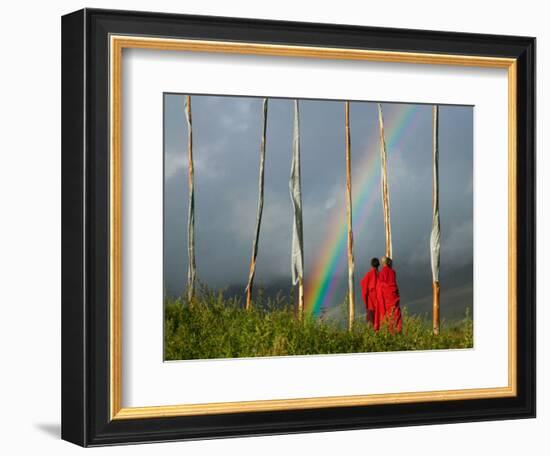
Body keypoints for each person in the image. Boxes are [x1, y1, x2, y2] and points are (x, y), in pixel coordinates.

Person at [376, 256, 403, 333]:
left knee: (387, 316)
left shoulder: (381, 274)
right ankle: (397, 332)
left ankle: (388, 333)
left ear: (382, 263)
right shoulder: (392, 272)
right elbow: (393, 285)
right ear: (388, 263)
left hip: (386, 298)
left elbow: (379, 287)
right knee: (396, 315)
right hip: (393, 297)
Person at [360, 258, 380, 327]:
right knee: (379, 325)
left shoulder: (368, 275)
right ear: (379, 265)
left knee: (370, 325)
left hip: (370, 304)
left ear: (371, 265)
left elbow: (364, 290)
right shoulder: (381, 275)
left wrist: (366, 303)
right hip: (379, 305)